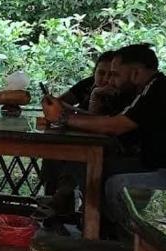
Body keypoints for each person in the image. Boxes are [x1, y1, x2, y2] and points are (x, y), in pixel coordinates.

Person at [43, 43, 166, 238]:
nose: (111, 80)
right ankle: (95, 228)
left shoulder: (161, 88)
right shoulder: (148, 89)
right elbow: (109, 121)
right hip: (149, 163)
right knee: (86, 167)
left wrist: (64, 118)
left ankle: (131, 241)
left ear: (135, 73)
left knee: (113, 182)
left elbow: (116, 125)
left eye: (115, 74)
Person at [41, 50, 136, 230]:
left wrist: (93, 99)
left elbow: (101, 127)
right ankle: (56, 206)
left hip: (112, 148)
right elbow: (58, 103)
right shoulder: (88, 83)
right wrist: (55, 105)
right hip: (76, 142)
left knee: (77, 159)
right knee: (51, 152)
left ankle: (67, 204)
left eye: (112, 74)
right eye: (101, 73)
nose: (106, 79)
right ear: (94, 72)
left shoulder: (126, 95)